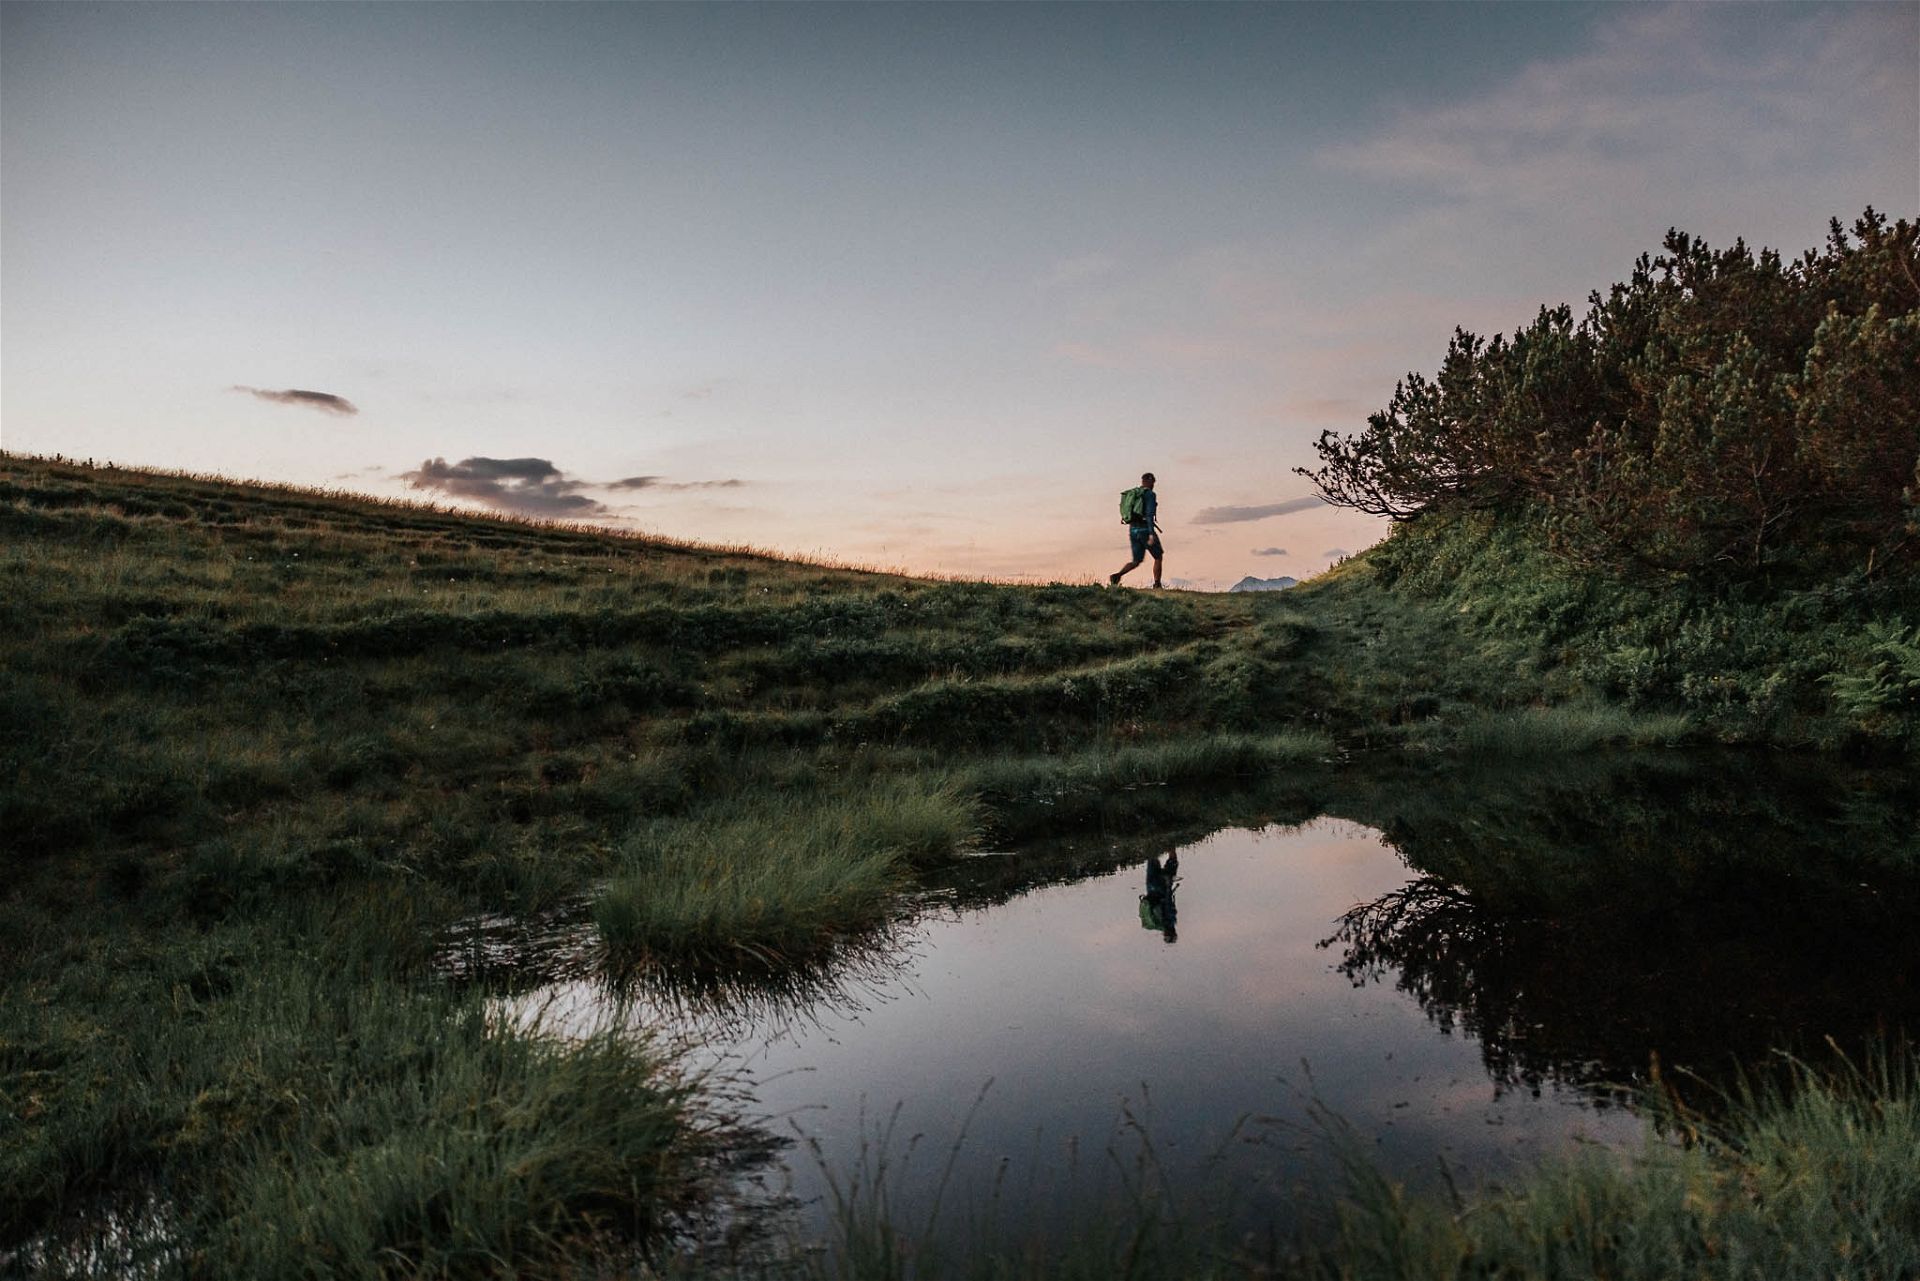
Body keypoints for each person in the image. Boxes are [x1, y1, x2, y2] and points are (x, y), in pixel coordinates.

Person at [1110, 471, 1163, 588]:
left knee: (1136, 561)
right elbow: (1149, 515)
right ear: (1150, 481)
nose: (1153, 485)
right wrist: (1151, 533)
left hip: (1133, 529)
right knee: (1158, 556)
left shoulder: (1134, 494)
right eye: (1153, 482)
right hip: (1144, 529)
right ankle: (1157, 584)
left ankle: (1117, 575)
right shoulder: (1149, 494)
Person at [1138, 850, 1180, 943]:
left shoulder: (1169, 920)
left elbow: (1168, 902)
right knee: (1152, 856)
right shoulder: (1155, 924)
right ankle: (1150, 840)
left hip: (1161, 887)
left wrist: (1168, 885)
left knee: (1172, 861)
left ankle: (1170, 841)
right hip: (1150, 888)